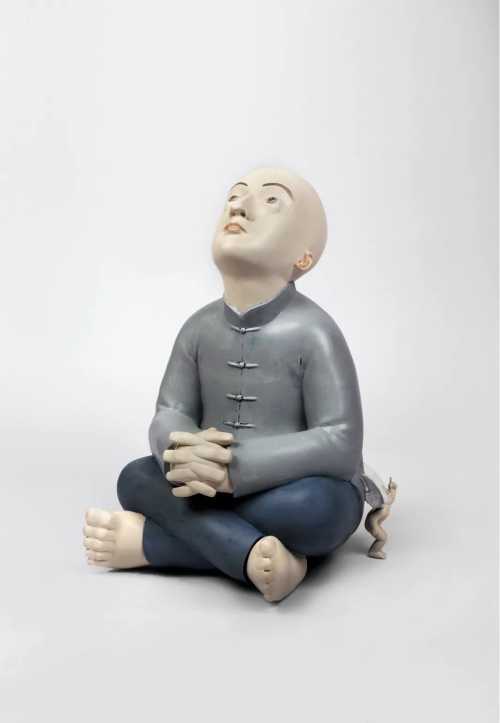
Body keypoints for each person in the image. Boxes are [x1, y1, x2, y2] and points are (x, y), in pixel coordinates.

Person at [83, 166, 395, 603]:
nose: (239, 206)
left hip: (293, 488)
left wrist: (236, 468)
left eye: (271, 201)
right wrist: (182, 450)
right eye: (234, 195)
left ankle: (151, 545)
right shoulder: (197, 328)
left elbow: (340, 441)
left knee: (317, 510)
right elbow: (171, 411)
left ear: (303, 258)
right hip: (203, 484)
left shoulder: (316, 332)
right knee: (136, 477)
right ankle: (256, 557)